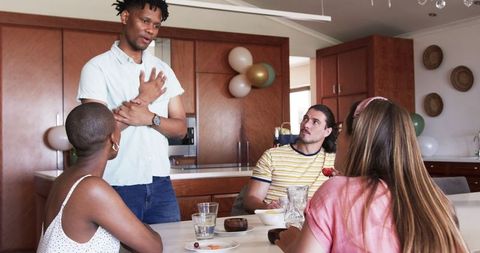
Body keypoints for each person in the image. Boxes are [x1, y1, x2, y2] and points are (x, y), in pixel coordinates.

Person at [276, 97, 469, 253]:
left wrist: (292, 245)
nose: (338, 139)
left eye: (341, 130)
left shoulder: (336, 191)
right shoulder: (436, 200)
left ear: (356, 140)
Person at [77, 0, 186, 223]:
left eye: (156, 25)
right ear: (125, 17)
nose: (151, 30)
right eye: (145, 20)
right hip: (116, 183)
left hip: (161, 185)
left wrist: (150, 118)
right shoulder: (97, 68)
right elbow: (96, 135)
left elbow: (181, 129)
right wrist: (143, 99)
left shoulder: (163, 70)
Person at [37, 102, 163, 253]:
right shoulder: (91, 189)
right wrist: (144, 228)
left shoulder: (64, 178)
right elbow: (153, 247)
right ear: (113, 139)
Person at [243, 104, 338, 213]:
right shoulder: (272, 156)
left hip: (314, 226)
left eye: (315, 122)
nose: (306, 124)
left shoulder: (334, 160)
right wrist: (267, 208)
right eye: (305, 119)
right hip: (275, 225)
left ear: (327, 131)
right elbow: (250, 200)